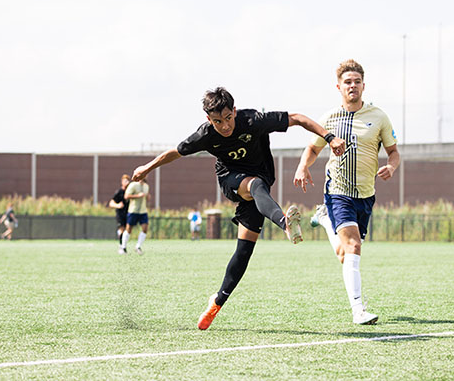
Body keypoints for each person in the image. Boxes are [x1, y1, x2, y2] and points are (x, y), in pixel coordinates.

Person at [131, 87, 345, 330]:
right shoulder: (205, 135)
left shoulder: (253, 120)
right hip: (231, 179)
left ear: (234, 111)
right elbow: (176, 152)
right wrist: (147, 168)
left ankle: (217, 301)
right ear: (208, 119)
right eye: (217, 121)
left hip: (261, 185)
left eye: (228, 118)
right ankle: (285, 223)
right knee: (254, 185)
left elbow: (297, 118)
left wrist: (329, 137)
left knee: (244, 250)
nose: (224, 126)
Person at [294, 59, 400, 325]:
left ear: (363, 86)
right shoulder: (329, 118)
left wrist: (391, 166)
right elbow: (313, 148)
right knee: (353, 245)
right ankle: (358, 310)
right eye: (347, 82)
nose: (352, 86)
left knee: (345, 253)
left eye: (356, 82)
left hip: (365, 194)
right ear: (339, 87)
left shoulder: (379, 117)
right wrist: (302, 168)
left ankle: (326, 219)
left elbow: (394, 152)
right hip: (338, 190)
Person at [121, 178, 150, 255]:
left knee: (145, 228)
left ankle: (138, 247)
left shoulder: (146, 186)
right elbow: (126, 196)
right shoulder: (133, 185)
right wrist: (137, 196)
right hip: (133, 210)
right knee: (128, 229)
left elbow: (147, 197)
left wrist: (147, 197)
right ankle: (123, 247)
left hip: (143, 211)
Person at [108, 174, 131, 254]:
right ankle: (121, 247)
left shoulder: (130, 192)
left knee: (127, 231)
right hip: (120, 214)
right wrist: (118, 205)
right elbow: (111, 203)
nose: (126, 182)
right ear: (122, 182)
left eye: (128, 181)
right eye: (125, 181)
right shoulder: (119, 192)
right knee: (121, 229)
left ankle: (123, 246)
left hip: (128, 214)